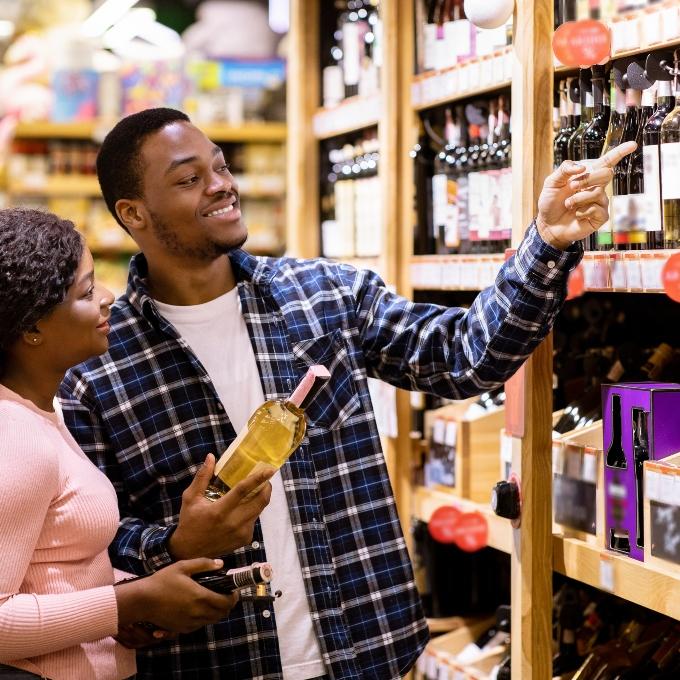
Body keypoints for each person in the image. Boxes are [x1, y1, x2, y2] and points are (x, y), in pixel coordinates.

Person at [58, 107, 636, 680]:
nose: (221, 186)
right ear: (132, 213)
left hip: (368, 653)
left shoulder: (326, 295)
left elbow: (464, 357)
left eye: (221, 166)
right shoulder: (94, 367)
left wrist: (548, 241)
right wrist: (175, 543)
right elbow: (91, 544)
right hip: (215, 661)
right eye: (189, 179)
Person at [0, 207, 273, 680]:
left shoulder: (46, 410)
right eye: (86, 292)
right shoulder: (16, 435)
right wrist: (131, 601)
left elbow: (51, 569)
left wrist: (131, 600)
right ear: (32, 328)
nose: (108, 298)